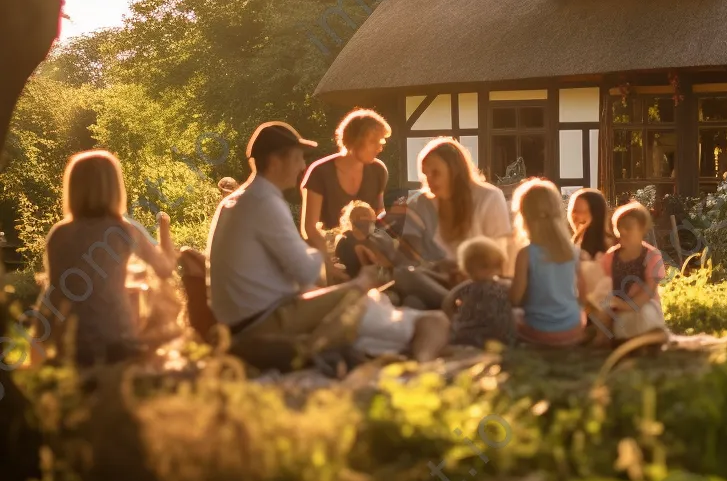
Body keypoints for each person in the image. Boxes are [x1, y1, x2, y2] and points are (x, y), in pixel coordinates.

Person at [207, 121, 448, 371]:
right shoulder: (265, 203)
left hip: (239, 320)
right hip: (264, 322)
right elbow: (308, 272)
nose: (302, 166)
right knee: (363, 290)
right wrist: (325, 246)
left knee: (358, 295)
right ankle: (409, 341)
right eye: (298, 158)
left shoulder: (234, 203)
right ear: (276, 161)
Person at [40, 150, 178, 367]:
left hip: (73, 344)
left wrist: (41, 339)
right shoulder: (124, 230)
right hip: (118, 339)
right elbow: (165, 270)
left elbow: (54, 291)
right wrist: (165, 230)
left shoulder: (59, 234)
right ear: (115, 188)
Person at [395, 137, 514, 276]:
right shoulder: (419, 203)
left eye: (435, 173)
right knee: (405, 277)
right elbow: (408, 254)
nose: (429, 180)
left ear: (454, 171)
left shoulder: (489, 197)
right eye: (424, 174)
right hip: (434, 279)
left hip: (477, 280)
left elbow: (501, 254)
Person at [301, 108, 391, 259]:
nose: (379, 147)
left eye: (381, 142)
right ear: (355, 140)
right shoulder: (319, 172)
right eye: (373, 141)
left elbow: (378, 215)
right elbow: (310, 228)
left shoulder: (378, 170)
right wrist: (329, 264)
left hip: (368, 255)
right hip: (328, 254)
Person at [508, 179, 587, 347]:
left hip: (538, 330)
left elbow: (515, 298)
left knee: (512, 315)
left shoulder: (526, 254)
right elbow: (583, 296)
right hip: (572, 328)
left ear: (524, 216)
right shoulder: (574, 252)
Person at [597, 201, 667, 340]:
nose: (622, 231)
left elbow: (648, 293)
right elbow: (603, 289)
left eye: (628, 227)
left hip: (645, 309)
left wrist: (623, 305)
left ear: (641, 229)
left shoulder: (652, 255)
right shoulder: (610, 257)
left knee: (643, 316)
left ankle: (646, 340)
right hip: (619, 310)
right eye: (619, 227)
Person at [442, 237, 516, 348]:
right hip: (470, 330)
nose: (492, 270)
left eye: (496, 266)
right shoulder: (466, 288)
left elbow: (515, 294)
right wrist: (453, 318)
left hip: (498, 330)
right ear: (469, 269)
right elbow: (448, 302)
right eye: (484, 267)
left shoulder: (502, 285)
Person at [334, 200, 380, 279]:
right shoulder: (344, 242)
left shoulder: (377, 240)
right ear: (350, 220)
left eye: (365, 214)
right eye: (357, 216)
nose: (362, 218)